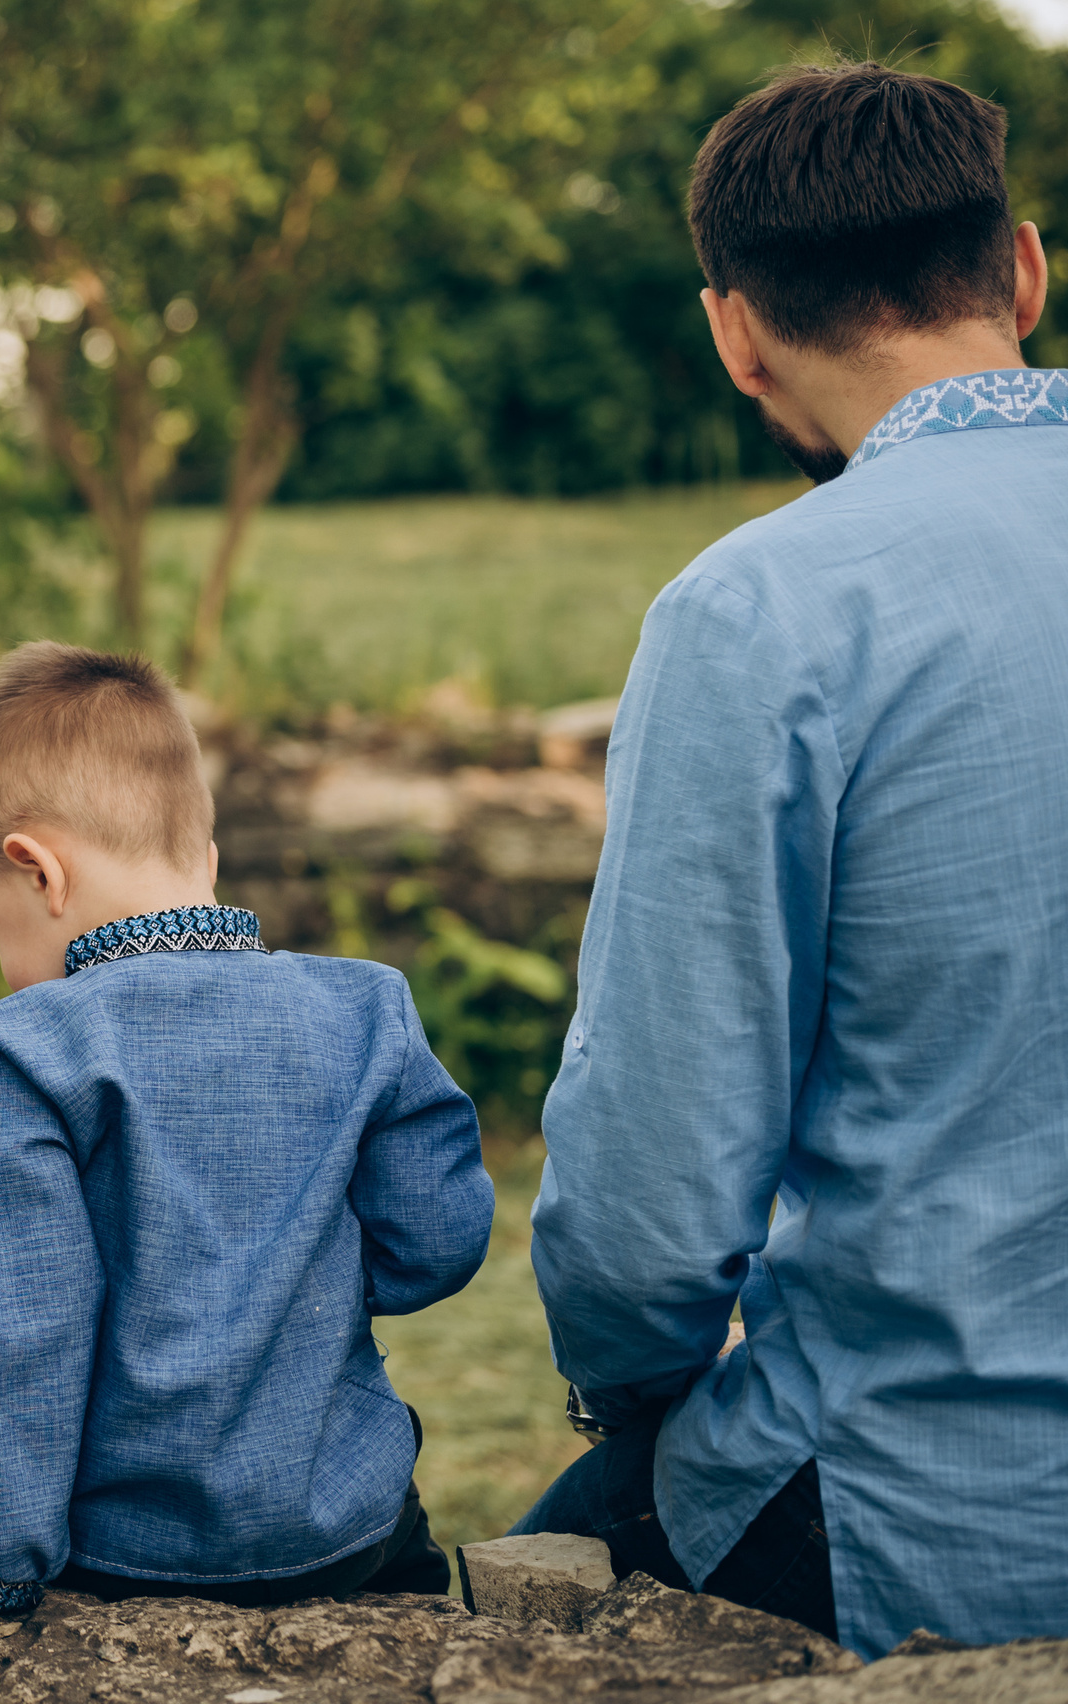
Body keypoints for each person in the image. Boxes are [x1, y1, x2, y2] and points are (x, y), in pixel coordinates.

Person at [517, 61, 1065, 1658]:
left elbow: (646, 1211)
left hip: (945, 1508)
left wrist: (628, 1390)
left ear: (732, 331)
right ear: (1022, 268)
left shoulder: (764, 611)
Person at [0, 643, 493, 1616]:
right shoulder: (364, 1008)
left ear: (37, 871)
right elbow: (440, 1241)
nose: (1, 966)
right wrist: (301, 1285)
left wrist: (15, 1561)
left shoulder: (25, 1049)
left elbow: (33, 1333)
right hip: (348, 1531)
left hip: (124, 1556)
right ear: (208, 859)